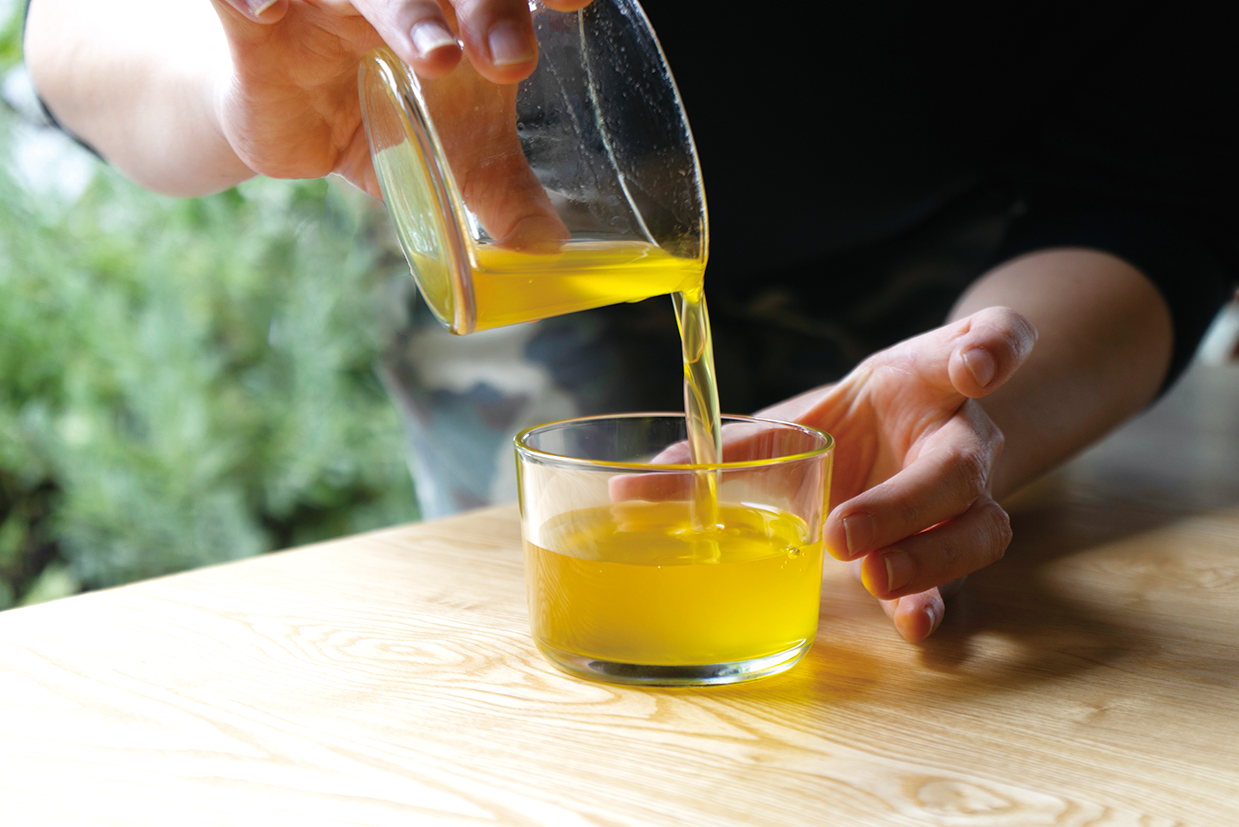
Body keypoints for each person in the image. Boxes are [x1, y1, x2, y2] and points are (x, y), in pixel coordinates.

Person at [22, 0, 1238, 643]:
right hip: (516, 238)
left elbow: (1160, 195)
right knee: (546, 638)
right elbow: (72, 34)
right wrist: (232, 88)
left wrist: (984, 405)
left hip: (966, 259)